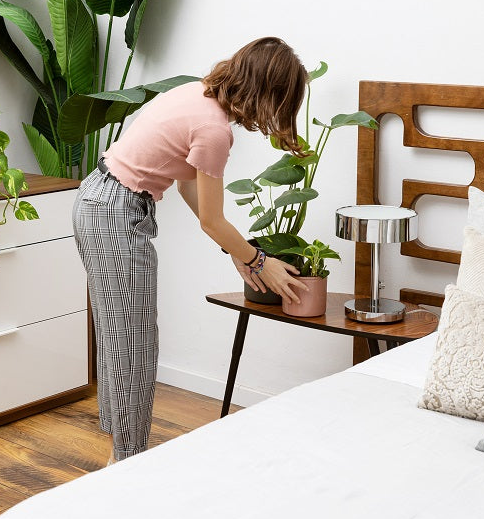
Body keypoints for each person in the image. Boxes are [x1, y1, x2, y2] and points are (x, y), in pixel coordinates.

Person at [72, 36, 309, 464]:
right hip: (116, 212)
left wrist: (236, 252)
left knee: (118, 336)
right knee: (133, 342)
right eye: (281, 101)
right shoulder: (214, 130)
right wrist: (258, 259)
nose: (277, 114)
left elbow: (186, 185)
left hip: (97, 199)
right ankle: (129, 461)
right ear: (266, 91)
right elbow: (212, 219)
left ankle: (120, 457)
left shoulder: (196, 94)